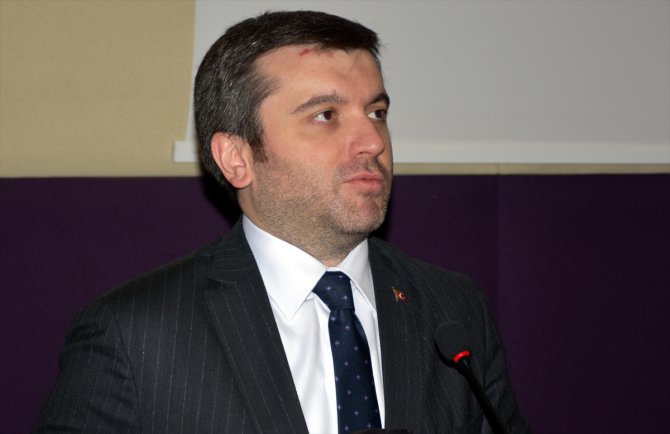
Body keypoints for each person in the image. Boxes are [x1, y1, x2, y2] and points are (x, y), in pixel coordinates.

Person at [34, 10, 530, 434]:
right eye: (326, 115)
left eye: (377, 112)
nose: (373, 142)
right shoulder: (135, 335)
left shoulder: (453, 309)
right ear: (236, 158)